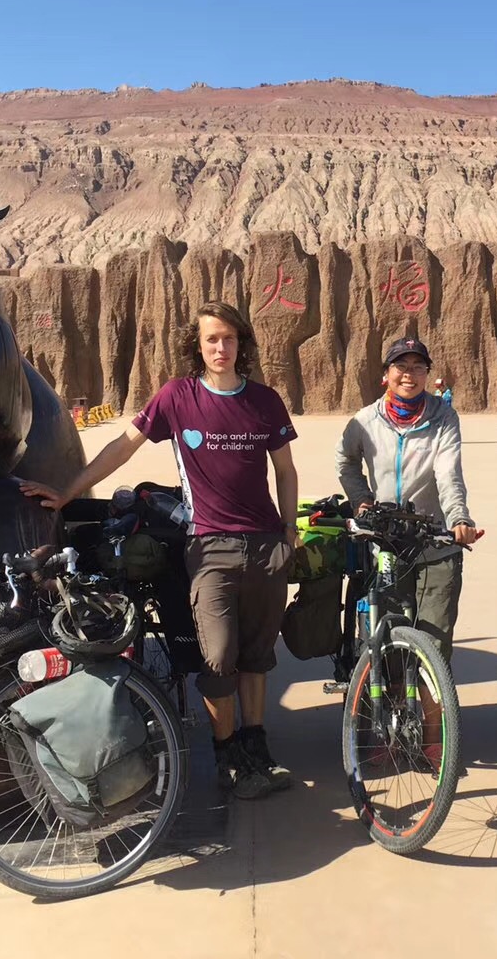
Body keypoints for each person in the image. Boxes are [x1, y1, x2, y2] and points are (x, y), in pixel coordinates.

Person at [20, 301, 300, 801]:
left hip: (265, 545)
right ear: (198, 345)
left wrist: (288, 531)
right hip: (209, 547)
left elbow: (285, 470)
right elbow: (122, 446)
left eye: (229, 338)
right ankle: (227, 756)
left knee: (258, 657)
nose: (221, 347)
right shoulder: (178, 396)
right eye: (211, 339)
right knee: (218, 658)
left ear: (241, 343)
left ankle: (257, 749)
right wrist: (66, 493)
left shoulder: (264, 401)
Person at [337, 339, 480, 665]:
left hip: (435, 543)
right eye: (401, 366)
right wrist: (361, 499)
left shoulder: (443, 416)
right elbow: (345, 460)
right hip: (386, 544)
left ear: (427, 374)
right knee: (388, 645)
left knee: (434, 649)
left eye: (418, 367)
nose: (409, 375)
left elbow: (448, 472)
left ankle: (431, 700)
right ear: (386, 374)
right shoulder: (365, 421)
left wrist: (459, 518)